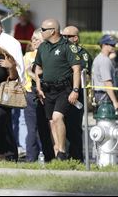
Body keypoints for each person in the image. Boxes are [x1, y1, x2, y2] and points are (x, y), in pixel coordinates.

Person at [34, 19, 81, 160]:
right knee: (51, 122)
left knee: (57, 117)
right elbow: (38, 68)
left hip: (64, 89)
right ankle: (57, 152)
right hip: (48, 90)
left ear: (53, 31)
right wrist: (38, 87)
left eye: (43, 29)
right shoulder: (43, 47)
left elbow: (77, 69)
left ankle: (61, 151)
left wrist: (75, 90)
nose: (41, 32)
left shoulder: (68, 46)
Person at [0, 16, 27, 156]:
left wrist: (16, 84)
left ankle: (9, 153)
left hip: (7, 88)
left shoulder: (10, 42)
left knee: (3, 122)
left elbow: (18, 64)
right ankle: (1, 152)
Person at [62, 26, 93, 162]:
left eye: (67, 36)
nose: (64, 39)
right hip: (60, 92)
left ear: (75, 38)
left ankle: (76, 159)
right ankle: (62, 157)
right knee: (60, 125)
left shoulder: (84, 54)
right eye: (63, 36)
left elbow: (87, 74)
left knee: (74, 127)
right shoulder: (60, 50)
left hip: (77, 94)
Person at [23, 29, 43, 162]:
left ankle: (43, 154)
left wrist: (30, 72)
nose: (34, 41)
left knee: (42, 127)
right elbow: (24, 75)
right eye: (33, 38)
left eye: (37, 38)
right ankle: (31, 157)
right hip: (30, 94)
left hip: (42, 94)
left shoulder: (46, 55)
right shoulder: (27, 56)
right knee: (32, 128)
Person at [92, 34, 118, 110]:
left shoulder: (100, 58)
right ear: (104, 45)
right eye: (111, 44)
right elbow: (107, 82)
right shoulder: (105, 61)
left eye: (114, 44)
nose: (114, 46)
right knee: (107, 121)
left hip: (102, 95)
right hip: (105, 96)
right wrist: (115, 102)